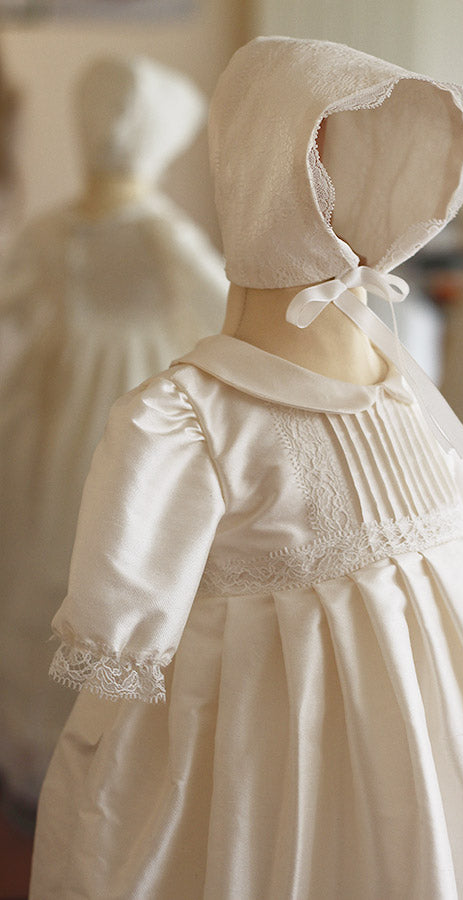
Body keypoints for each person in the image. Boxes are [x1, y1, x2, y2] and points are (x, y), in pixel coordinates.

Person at [31, 37, 463, 899]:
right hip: (281, 743)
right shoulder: (186, 418)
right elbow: (124, 626)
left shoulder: (395, 372)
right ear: (271, 176)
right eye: (326, 166)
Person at [0, 54, 227, 811]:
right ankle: (87, 759)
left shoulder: (54, 229)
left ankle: (56, 749)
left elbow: (12, 304)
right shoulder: (165, 232)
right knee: (107, 555)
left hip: (54, 412)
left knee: (55, 560)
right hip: (135, 416)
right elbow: (225, 311)